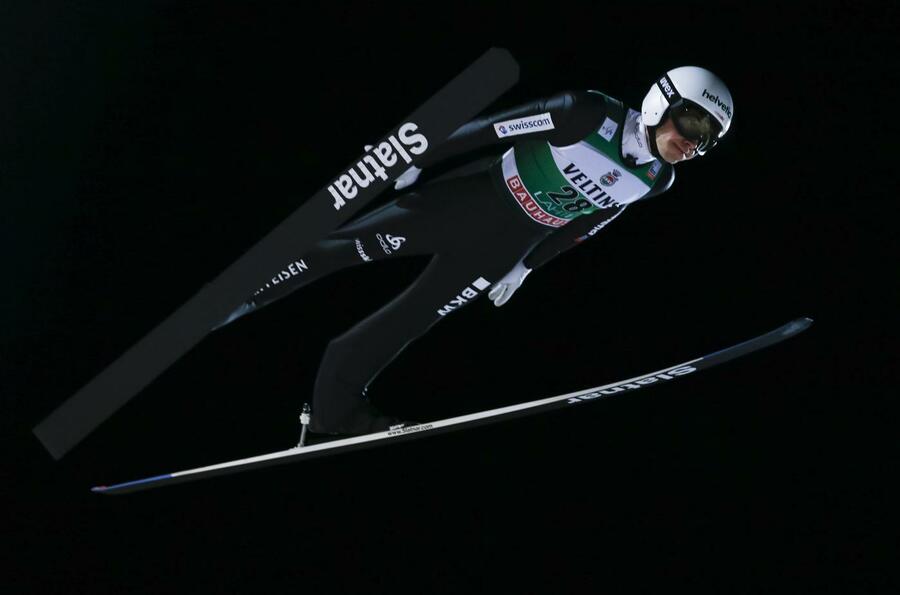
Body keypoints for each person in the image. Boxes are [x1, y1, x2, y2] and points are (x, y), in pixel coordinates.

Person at [212, 66, 735, 436]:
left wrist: (526, 265)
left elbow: (589, 222)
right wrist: (419, 159)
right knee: (344, 249)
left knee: (411, 319)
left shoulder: (657, 180)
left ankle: (335, 414)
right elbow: (489, 130)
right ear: (661, 102)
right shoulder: (584, 114)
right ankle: (240, 296)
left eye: (708, 139)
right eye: (693, 124)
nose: (694, 142)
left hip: (503, 248)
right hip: (470, 202)